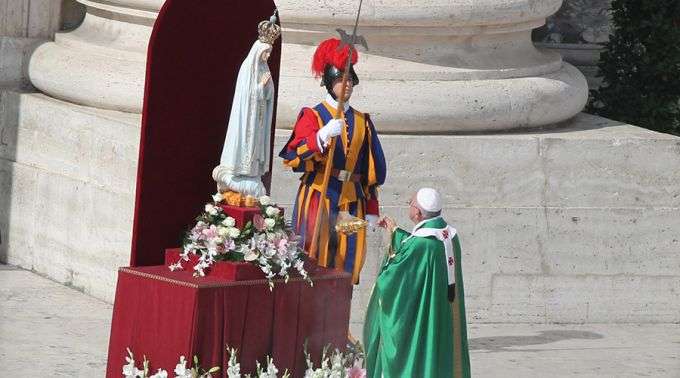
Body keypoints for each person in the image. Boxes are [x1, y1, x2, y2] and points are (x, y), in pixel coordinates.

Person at [278, 38, 387, 284]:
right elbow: (294, 155)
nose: (346, 84)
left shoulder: (363, 121)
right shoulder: (313, 115)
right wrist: (321, 136)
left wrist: (371, 209)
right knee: (314, 259)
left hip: (352, 199)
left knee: (349, 261)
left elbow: (371, 170)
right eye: (340, 79)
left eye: (350, 79)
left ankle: (339, 320)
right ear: (329, 82)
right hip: (320, 195)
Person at [363, 188, 471, 378]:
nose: (408, 204)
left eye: (410, 203)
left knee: (422, 348)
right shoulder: (450, 236)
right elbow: (415, 251)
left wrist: (384, 276)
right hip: (444, 310)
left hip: (426, 312)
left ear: (418, 213)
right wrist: (394, 230)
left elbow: (393, 278)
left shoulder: (421, 244)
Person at [212, 15, 280, 197]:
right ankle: (234, 174)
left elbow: (269, 95)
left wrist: (266, 89)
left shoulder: (265, 69)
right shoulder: (247, 68)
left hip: (259, 119)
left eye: (269, 53)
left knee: (255, 149)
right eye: (265, 53)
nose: (267, 56)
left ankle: (251, 173)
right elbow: (245, 96)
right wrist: (260, 87)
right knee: (245, 145)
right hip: (247, 119)